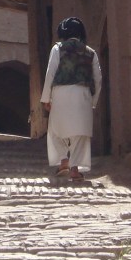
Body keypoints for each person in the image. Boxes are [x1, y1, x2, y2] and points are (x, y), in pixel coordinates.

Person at [40, 16, 102, 181]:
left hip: (60, 94)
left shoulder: (58, 49)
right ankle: (75, 169)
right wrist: (93, 101)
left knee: (55, 131)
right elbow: (98, 79)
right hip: (83, 95)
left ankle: (63, 161)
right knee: (80, 135)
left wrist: (46, 98)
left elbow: (50, 73)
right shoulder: (91, 53)